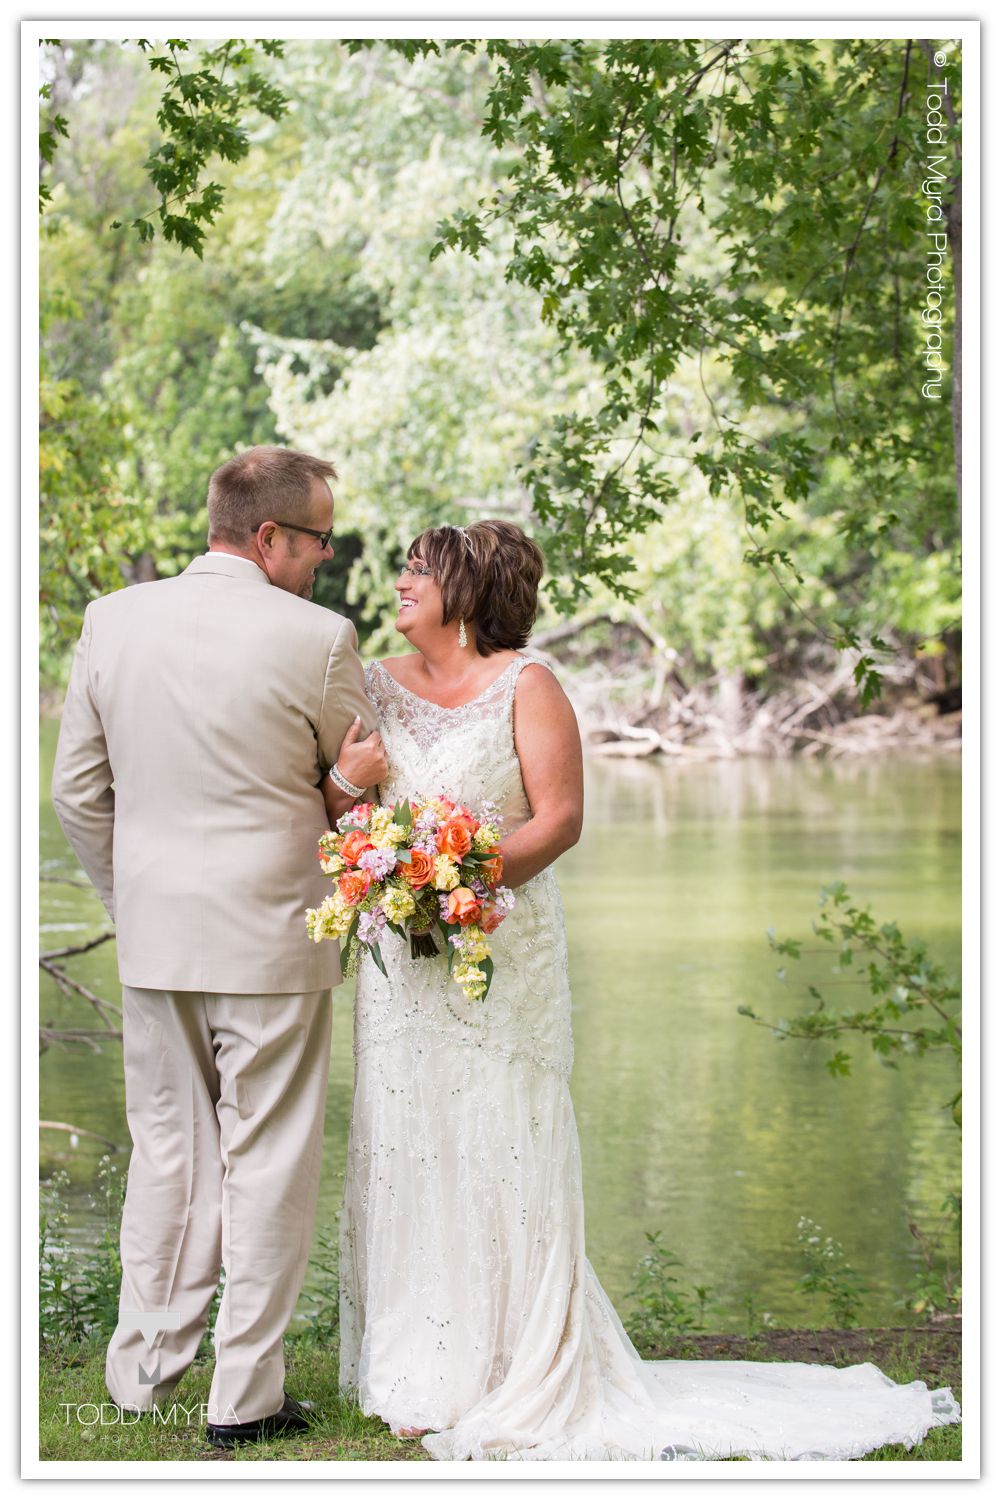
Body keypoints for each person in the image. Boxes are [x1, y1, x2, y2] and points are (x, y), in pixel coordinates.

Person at [336, 519, 961, 1462]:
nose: (398, 585)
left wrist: (463, 887)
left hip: (500, 947)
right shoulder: (374, 684)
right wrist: (360, 805)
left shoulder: (529, 685)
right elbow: (344, 808)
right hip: (402, 966)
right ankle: (418, 1367)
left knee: (503, 1128)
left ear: (461, 594)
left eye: (417, 573)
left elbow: (562, 820)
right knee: (410, 1131)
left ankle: (512, 1363)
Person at [50, 445, 387, 1448]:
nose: (325, 557)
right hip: (275, 935)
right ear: (269, 535)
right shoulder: (321, 640)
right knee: (268, 1162)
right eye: (318, 538)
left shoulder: (112, 622)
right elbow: (356, 781)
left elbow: (77, 793)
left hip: (157, 939)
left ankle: (143, 1374)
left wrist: (133, 895)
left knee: (168, 1157)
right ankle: (244, 1398)